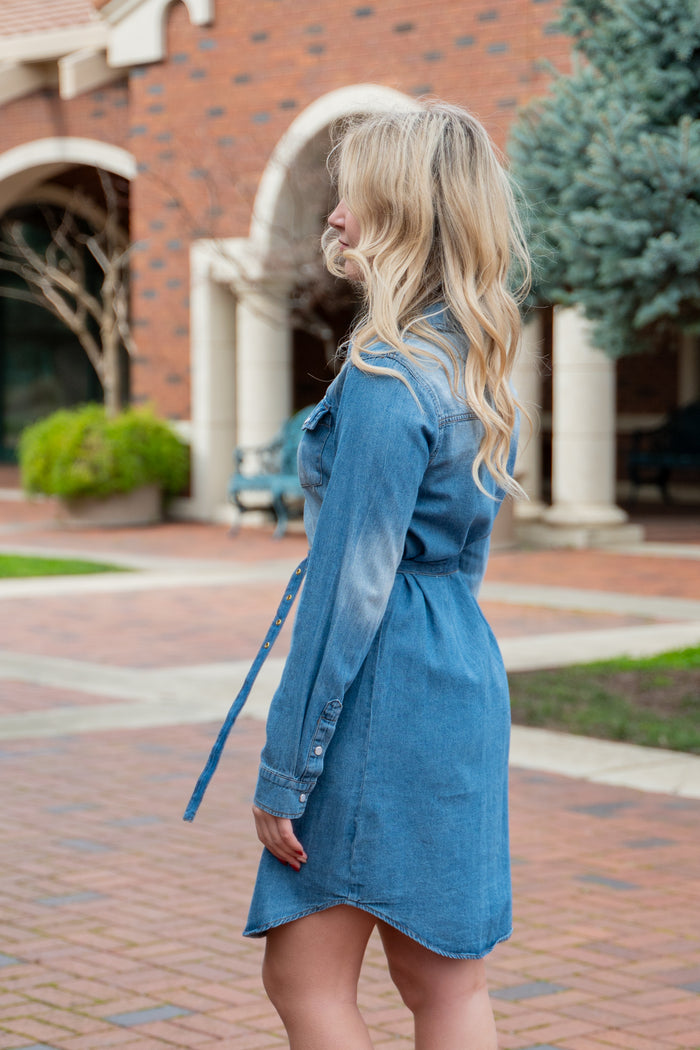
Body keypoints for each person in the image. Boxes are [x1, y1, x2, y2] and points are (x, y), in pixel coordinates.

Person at [230, 102, 527, 1050]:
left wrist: (286, 771)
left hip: (379, 694)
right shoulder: (469, 359)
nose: (338, 216)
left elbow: (348, 592)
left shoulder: (389, 373)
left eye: (350, 196)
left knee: (304, 977)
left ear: (394, 210)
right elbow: (463, 561)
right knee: (446, 983)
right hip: (458, 676)